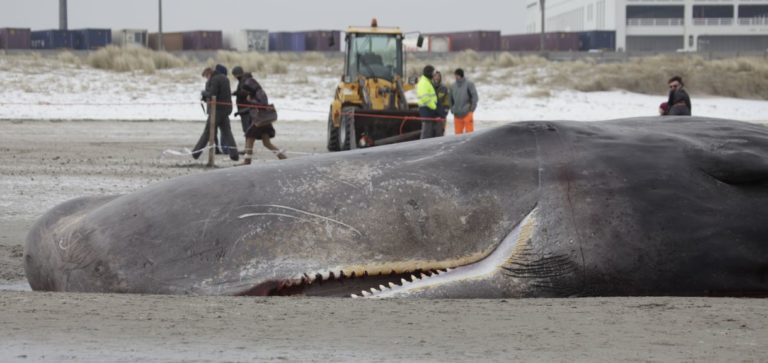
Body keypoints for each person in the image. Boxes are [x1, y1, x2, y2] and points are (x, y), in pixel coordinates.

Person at [232, 66, 286, 164]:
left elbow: (262, 105)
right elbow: (252, 108)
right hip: (261, 120)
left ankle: (247, 160)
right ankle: (282, 157)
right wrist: (240, 112)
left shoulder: (259, 93)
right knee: (266, 143)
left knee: (249, 137)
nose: (247, 92)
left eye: (247, 90)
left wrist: (250, 101)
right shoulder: (254, 93)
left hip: (260, 120)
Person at [193, 64, 239, 161]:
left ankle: (196, 153)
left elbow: (213, 94)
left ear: (209, 73)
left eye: (206, 76)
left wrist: (203, 93)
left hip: (217, 111)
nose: (206, 78)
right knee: (227, 132)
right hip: (226, 109)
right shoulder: (224, 78)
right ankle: (234, 154)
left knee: (207, 132)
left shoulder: (215, 80)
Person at [450, 68, 479, 134]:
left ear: (460, 75)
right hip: (457, 114)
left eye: (456, 75)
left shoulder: (469, 84)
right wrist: (452, 109)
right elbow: (450, 99)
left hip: (467, 113)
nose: (455, 77)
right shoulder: (453, 86)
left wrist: (471, 109)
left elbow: (475, 97)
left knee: (469, 134)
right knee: (457, 135)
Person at [417, 65, 440, 139]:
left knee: (429, 131)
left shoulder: (427, 82)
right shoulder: (424, 83)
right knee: (426, 131)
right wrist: (434, 106)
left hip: (429, 109)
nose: (434, 75)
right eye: (433, 73)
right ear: (429, 73)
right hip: (426, 109)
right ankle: (423, 146)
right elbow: (425, 98)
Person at [432, 70, 451, 137]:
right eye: (435, 76)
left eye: (438, 76)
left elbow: (447, 101)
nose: (437, 78)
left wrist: (445, 111)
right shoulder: (429, 87)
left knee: (440, 133)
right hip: (431, 115)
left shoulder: (444, 88)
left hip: (441, 115)